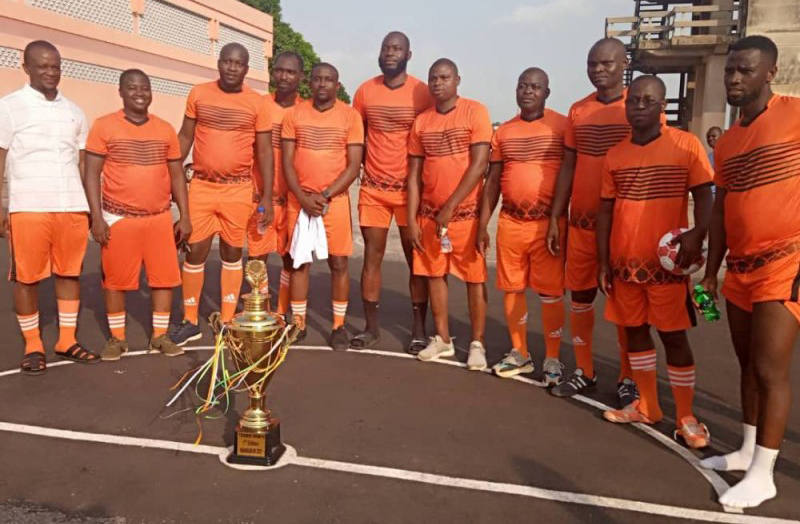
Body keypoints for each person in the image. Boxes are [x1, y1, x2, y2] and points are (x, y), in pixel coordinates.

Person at [699, 35, 800, 509]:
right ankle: (745, 449)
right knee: (746, 366)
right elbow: (721, 213)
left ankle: (765, 473)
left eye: (744, 70)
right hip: (739, 267)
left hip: (787, 262)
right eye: (729, 71)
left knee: (769, 369)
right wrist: (709, 272)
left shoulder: (796, 115)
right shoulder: (731, 139)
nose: (734, 78)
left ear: (769, 74)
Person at [597, 75, 713, 450]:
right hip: (624, 265)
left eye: (648, 101)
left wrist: (697, 235)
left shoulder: (686, 145)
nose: (640, 106)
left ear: (662, 106)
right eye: (634, 101)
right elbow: (605, 211)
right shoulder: (616, 154)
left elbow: (708, 198)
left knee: (673, 338)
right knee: (634, 334)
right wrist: (603, 260)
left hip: (666, 268)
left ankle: (686, 416)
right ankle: (647, 406)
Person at [0, 40, 100, 375]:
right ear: (25, 66)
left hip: (71, 204)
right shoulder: (9, 107)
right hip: (28, 205)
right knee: (27, 278)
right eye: (42, 66)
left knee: (69, 273)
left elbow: (85, 164)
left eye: (55, 66)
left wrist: (90, 208)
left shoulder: (73, 110)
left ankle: (66, 340)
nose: (50, 72)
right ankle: (33, 345)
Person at [546, 38, 637, 403]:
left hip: (622, 226)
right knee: (580, 297)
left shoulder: (640, 105)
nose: (598, 70)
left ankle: (629, 377)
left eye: (606, 63)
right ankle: (585, 370)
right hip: (582, 225)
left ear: (624, 63)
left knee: (626, 304)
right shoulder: (578, 111)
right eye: (592, 63)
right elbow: (569, 165)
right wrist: (556, 215)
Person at [168, 43, 273, 345]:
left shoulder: (258, 103)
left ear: (246, 68)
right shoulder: (199, 93)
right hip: (201, 186)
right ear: (218, 63)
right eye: (226, 61)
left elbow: (264, 151)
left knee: (231, 252)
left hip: (238, 188)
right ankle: (190, 321)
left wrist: (265, 195)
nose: (231, 68)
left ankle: (227, 321)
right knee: (195, 251)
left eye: (237, 63)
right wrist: (168, 175)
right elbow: (185, 137)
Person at [83, 69, 192, 361]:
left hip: (158, 217)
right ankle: (117, 339)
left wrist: (185, 214)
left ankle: (160, 336)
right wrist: (96, 216)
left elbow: (177, 175)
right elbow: (91, 174)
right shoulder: (104, 126)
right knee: (116, 281)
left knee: (164, 279)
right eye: (132, 88)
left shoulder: (165, 128)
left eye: (145, 88)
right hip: (120, 218)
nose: (140, 93)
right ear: (121, 92)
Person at [478, 67, 568, 382]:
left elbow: (570, 174)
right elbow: (493, 181)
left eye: (535, 86)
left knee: (550, 292)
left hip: (547, 225)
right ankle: (521, 353)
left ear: (547, 92)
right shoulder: (504, 132)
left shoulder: (562, 126)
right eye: (522, 86)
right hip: (510, 222)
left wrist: (558, 217)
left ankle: (553, 358)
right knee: (512, 289)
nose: (528, 91)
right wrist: (482, 223)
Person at [407, 58, 492, 371]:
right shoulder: (422, 121)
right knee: (434, 275)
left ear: (457, 80)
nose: (438, 83)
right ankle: (442, 338)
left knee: (474, 280)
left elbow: (479, 165)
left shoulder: (476, 112)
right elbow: (414, 174)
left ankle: (477, 343)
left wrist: (450, 206)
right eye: (433, 78)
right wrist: (413, 218)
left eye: (444, 77)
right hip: (429, 216)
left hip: (465, 217)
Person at [351, 31, 434, 353]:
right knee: (372, 258)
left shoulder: (422, 93)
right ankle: (371, 328)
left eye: (396, 48)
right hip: (373, 189)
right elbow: (356, 137)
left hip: (411, 192)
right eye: (385, 47)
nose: (390, 53)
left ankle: (418, 330)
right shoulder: (364, 92)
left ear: (408, 55)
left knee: (418, 261)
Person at [282, 62, 364, 349]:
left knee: (339, 263)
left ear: (337, 85)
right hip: (300, 200)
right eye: (317, 79)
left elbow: (354, 166)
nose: (322, 84)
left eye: (328, 80)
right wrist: (304, 197)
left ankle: (339, 326)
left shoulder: (350, 117)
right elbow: (287, 163)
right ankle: (299, 323)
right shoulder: (294, 114)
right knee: (299, 262)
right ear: (309, 82)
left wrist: (325, 195)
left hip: (334, 202)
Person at [247, 51, 303, 314]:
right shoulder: (259, 105)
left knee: (291, 259)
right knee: (257, 257)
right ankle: (261, 312)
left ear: (300, 77)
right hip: (261, 199)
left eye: (290, 72)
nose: (283, 76)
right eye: (279, 70)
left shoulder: (306, 111)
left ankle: (281, 312)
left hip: (293, 202)